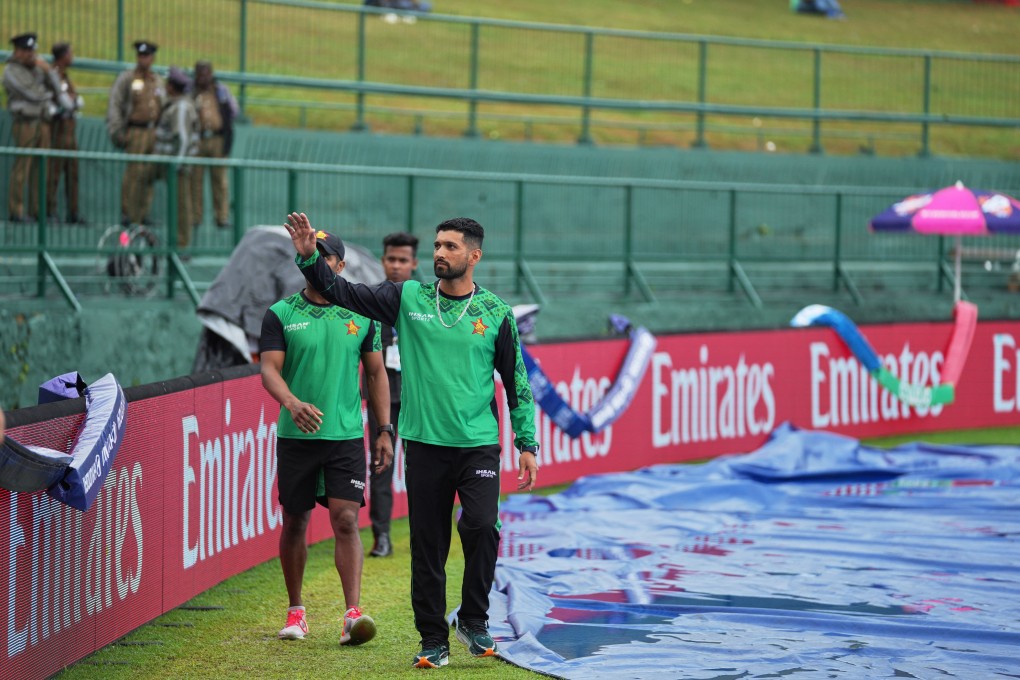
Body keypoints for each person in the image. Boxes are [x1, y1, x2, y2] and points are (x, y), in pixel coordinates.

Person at [285, 212, 539, 669]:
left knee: (481, 526)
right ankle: (432, 639)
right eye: (438, 245)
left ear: (474, 256)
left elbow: (516, 380)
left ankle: (474, 619)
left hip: (478, 443)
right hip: (423, 445)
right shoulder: (407, 297)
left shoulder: (496, 313)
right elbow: (346, 292)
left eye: (451, 247)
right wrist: (309, 259)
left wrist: (527, 443)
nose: (440, 253)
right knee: (428, 544)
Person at [259, 229, 393, 646]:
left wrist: (384, 430)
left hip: (345, 436)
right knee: (295, 520)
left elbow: (376, 374)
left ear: (339, 265)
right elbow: (268, 369)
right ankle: (296, 612)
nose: (317, 262)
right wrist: (292, 403)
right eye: (309, 255)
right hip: (296, 436)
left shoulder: (363, 316)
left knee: (347, 519)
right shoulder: (280, 313)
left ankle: (352, 615)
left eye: (324, 256)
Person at [364, 231, 419, 558]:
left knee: (423, 469)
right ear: (383, 261)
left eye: (403, 260)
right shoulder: (370, 301)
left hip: (419, 398)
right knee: (381, 465)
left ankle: (422, 534)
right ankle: (381, 535)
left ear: (414, 264)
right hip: (383, 399)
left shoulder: (428, 301)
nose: (396, 266)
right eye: (391, 259)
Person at [3, 32, 69, 223]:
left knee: (42, 168)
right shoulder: (12, 71)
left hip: (43, 122)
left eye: (32, 50)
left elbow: (57, 88)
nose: (30, 54)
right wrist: (48, 96)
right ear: (16, 52)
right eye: (25, 50)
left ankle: (37, 210)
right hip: (25, 122)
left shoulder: (38, 68)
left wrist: (48, 71)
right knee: (23, 166)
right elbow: (33, 94)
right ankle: (17, 211)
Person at [106, 40, 164, 226]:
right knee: (133, 174)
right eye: (140, 55)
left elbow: (163, 104)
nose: (143, 59)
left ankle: (143, 213)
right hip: (136, 130)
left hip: (153, 131)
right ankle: (128, 212)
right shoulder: (127, 78)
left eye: (146, 56)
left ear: (152, 58)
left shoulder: (157, 80)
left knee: (148, 174)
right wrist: (116, 130)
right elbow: (115, 104)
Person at [150, 66, 199, 249]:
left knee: (181, 207)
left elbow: (183, 139)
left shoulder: (180, 107)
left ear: (172, 86)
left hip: (177, 168)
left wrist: (176, 164)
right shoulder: (177, 104)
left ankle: (181, 245)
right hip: (174, 166)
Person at [189, 60, 238, 230]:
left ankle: (221, 216)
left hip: (217, 139)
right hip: (198, 139)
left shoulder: (220, 90)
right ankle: (196, 216)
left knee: (220, 180)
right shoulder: (191, 91)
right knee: (195, 180)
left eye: (206, 74)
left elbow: (233, 111)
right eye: (200, 74)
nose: (203, 78)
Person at [47, 41, 86, 224]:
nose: (73, 57)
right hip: (58, 129)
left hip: (70, 129)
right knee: (53, 172)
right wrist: (72, 103)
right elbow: (62, 101)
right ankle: (50, 211)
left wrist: (75, 101)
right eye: (70, 53)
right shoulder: (53, 75)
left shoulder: (65, 76)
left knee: (74, 173)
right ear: (63, 56)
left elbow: (75, 99)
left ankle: (73, 212)